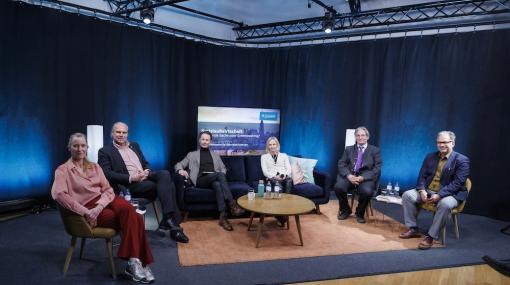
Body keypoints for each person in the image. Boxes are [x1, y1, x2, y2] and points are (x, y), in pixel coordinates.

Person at [51, 133, 155, 283]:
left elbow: (108, 190)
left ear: (87, 147)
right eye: (75, 145)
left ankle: (133, 262)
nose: (80, 149)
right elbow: (59, 195)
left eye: (83, 145)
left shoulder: (94, 166)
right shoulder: (62, 170)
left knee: (129, 211)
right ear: (70, 148)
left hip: (106, 201)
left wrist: (99, 206)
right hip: (87, 207)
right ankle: (138, 262)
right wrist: (86, 212)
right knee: (137, 218)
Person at [98, 122, 188, 243]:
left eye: (124, 132)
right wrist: (131, 177)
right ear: (112, 133)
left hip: (145, 177)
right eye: (118, 132)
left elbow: (145, 162)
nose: (121, 135)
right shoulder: (105, 151)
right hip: (129, 184)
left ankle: (168, 218)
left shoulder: (134, 145)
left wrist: (147, 170)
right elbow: (106, 173)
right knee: (169, 186)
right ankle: (172, 224)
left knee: (165, 173)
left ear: (127, 134)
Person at [399, 131, 470, 250]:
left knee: (445, 204)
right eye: (439, 142)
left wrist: (440, 195)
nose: (441, 145)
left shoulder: (462, 160)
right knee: (407, 195)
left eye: (445, 142)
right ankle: (413, 228)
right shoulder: (430, 156)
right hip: (429, 190)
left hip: (451, 194)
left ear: (452, 143)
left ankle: (430, 236)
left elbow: (458, 183)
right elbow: (422, 176)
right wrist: (421, 190)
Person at [174, 131, 245, 231]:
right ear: (199, 140)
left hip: (213, 180)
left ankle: (223, 217)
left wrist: (220, 175)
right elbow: (179, 164)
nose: (205, 142)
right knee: (219, 175)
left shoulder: (215, 155)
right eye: (203, 139)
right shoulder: (192, 155)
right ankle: (232, 203)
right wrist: (180, 170)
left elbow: (223, 168)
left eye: (207, 140)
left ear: (210, 142)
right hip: (200, 180)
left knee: (217, 185)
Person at [334, 126, 382, 224]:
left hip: (365, 178)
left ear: (367, 137)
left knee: (367, 191)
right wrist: (348, 175)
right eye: (358, 135)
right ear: (355, 137)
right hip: (350, 176)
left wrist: (363, 177)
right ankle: (345, 210)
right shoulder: (349, 149)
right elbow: (341, 163)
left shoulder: (375, 150)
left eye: (363, 135)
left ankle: (360, 213)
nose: (360, 138)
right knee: (338, 187)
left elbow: (377, 168)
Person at [260, 136, 293, 226]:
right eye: (270, 145)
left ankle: (286, 206)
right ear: (267, 146)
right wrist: (275, 177)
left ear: (277, 145)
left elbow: (289, 169)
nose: (272, 146)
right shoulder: (264, 157)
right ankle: (281, 215)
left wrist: (284, 175)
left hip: (283, 176)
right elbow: (265, 172)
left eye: (274, 144)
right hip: (271, 178)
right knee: (278, 185)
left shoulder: (284, 155)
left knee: (289, 181)